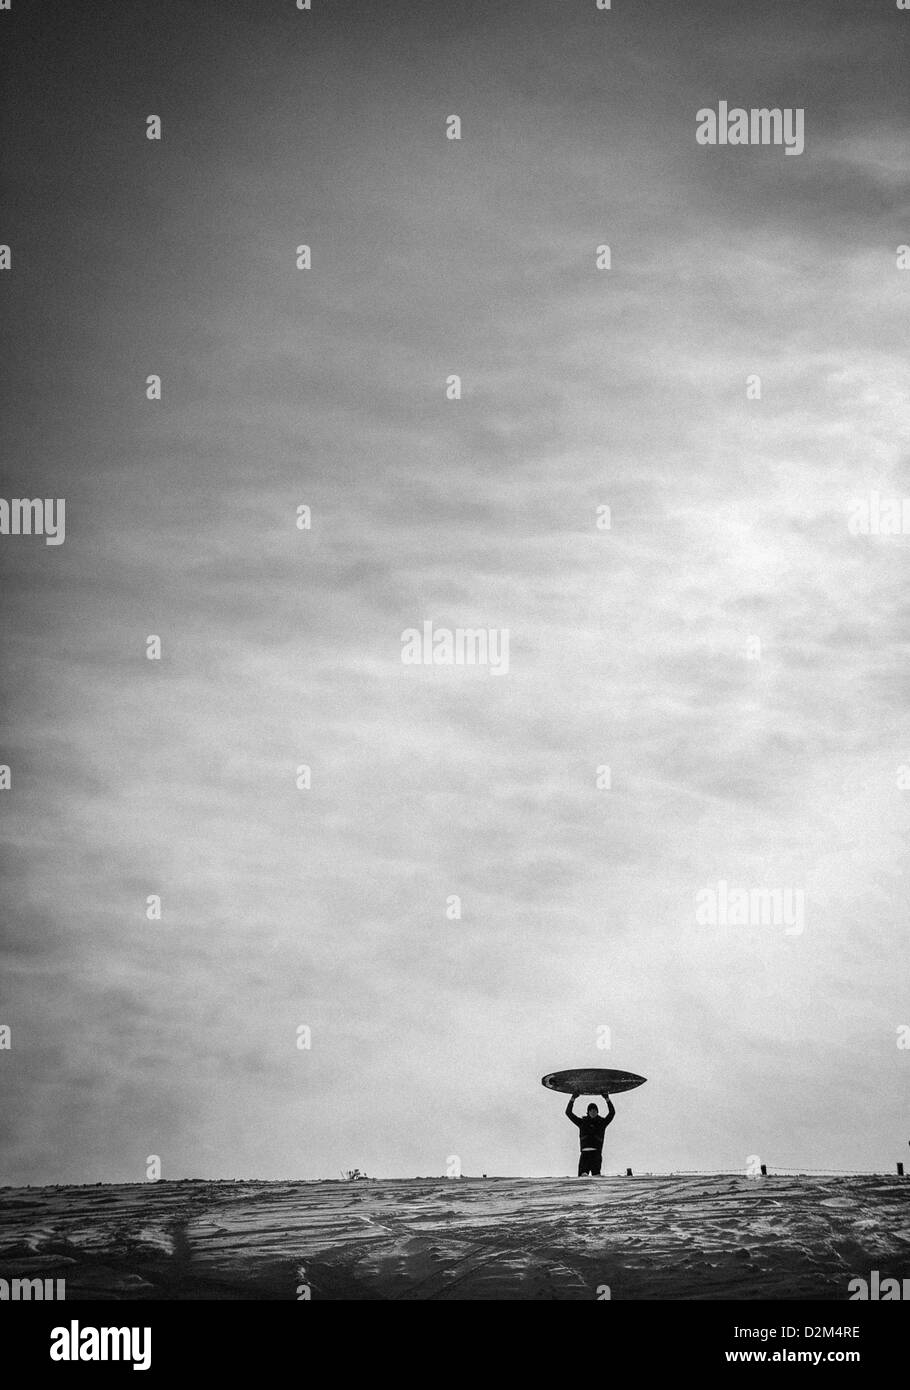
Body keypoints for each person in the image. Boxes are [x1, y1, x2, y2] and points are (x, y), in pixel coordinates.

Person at [565, 1092, 615, 1176]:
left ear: (597, 1112)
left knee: (596, 1177)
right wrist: (573, 1098)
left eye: (595, 1110)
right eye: (591, 1110)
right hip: (585, 1154)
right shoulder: (582, 1122)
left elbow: (612, 1113)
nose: (593, 1112)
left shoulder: (602, 1123)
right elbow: (568, 1113)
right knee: (582, 1178)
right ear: (588, 1112)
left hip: (596, 1154)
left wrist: (607, 1099)